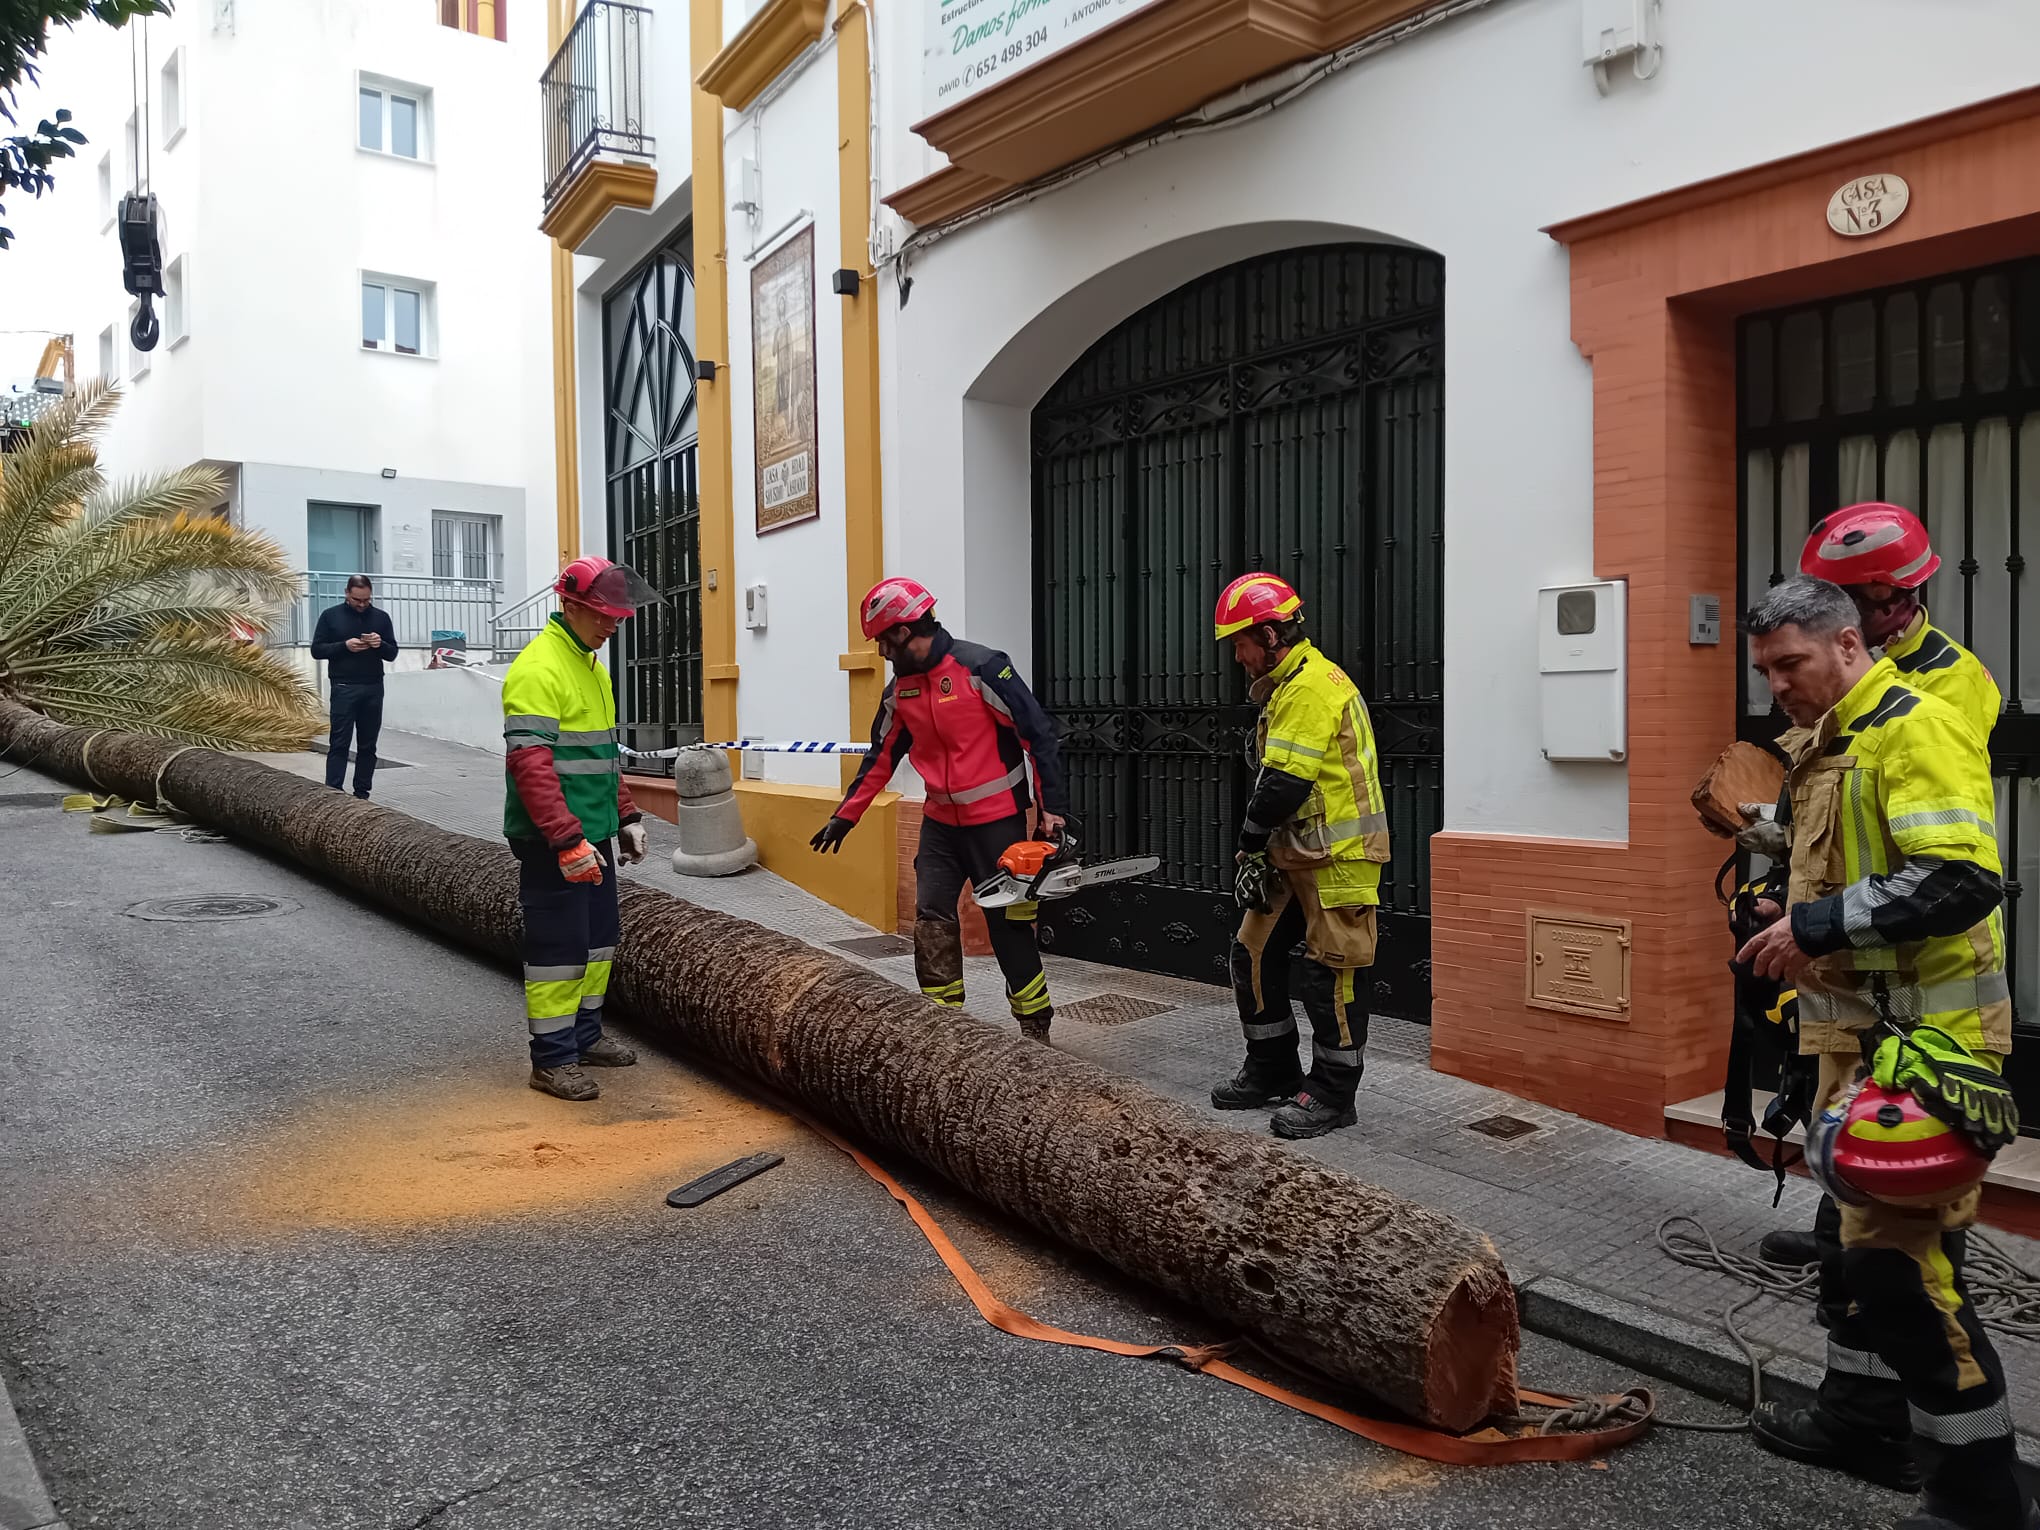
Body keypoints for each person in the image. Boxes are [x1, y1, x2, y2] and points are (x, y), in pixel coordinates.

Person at [1736, 576, 2029, 1530]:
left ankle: (1981, 1503)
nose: (1777, 684)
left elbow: (1959, 879)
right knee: (1876, 1260)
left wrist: (1814, 925)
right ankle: (1883, 1435)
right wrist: (1785, 913)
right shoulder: (1834, 742)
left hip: (1932, 1046)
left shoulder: (1915, 725)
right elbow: (1871, 877)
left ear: (1850, 645)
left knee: (1902, 1275)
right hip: (1867, 1041)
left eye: (1792, 664)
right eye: (1767, 670)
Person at [1753, 504, 2001, 1268]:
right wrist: (1783, 878)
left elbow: (1938, 858)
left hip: (1912, 982)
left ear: (1891, 601)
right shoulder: (1840, 681)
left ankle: (1869, 1284)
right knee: (1846, 1137)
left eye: (1854, 602)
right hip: (1854, 971)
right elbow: (1828, 804)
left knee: (1900, 1238)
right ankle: (1843, 1246)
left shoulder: (1938, 696)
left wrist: (1820, 919)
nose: (1779, 686)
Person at [810, 577, 1068, 1042]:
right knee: (932, 920)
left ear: (905, 632)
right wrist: (846, 815)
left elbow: (1038, 737)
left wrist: (1054, 812)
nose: (881, 653)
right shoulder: (900, 692)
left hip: (998, 824)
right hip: (939, 829)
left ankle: (1035, 1025)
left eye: (883, 641)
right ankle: (943, 1024)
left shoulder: (983, 668)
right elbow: (881, 757)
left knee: (1008, 925)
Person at [1207, 574, 1389, 1141]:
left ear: (1268, 635)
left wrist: (1248, 844)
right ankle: (1272, 1071)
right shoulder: (1287, 686)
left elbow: (1284, 780)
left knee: (1329, 976)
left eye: (1240, 643)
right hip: (1297, 852)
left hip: (1339, 857)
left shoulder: (1311, 687)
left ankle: (1334, 1096)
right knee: (1251, 955)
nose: (1237, 656)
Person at [502, 555, 653, 1102]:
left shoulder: (591, 666)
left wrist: (628, 815)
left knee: (597, 943)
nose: (613, 623)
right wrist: (565, 839)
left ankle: (584, 1038)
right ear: (569, 606)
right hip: (553, 838)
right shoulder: (539, 668)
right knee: (557, 951)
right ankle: (552, 1059)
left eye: (617, 615)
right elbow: (531, 765)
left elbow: (603, 758)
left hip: (593, 831)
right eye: (603, 614)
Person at [310, 575, 398, 800]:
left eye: (366, 600)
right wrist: (344, 646)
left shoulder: (381, 617)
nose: (362, 604)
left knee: (368, 745)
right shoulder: (330, 616)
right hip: (343, 686)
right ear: (347, 593)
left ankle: (362, 793)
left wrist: (380, 644)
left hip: (373, 687)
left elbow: (392, 653)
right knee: (339, 742)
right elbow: (317, 650)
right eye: (357, 600)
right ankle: (333, 791)